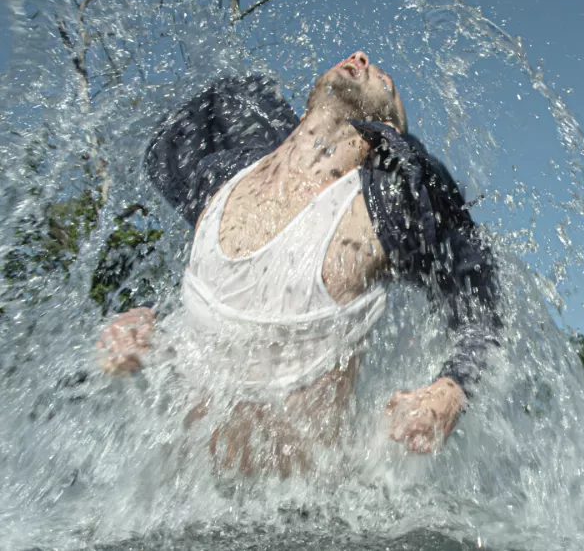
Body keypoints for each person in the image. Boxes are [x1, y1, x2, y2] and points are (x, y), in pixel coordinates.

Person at [96, 52, 501, 476]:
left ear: (392, 126)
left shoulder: (381, 211)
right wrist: (149, 324)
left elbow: (482, 309)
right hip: (186, 499)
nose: (362, 57)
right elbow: (239, 305)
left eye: (385, 80)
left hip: (312, 516)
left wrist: (451, 391)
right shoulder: (219, 182)